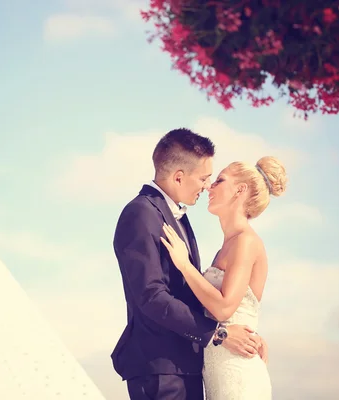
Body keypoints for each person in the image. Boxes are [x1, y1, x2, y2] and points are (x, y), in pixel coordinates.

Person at [111, 128, 268, 400]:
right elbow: (151, 296)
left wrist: (243, 331)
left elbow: (194, 296)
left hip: (189, 367)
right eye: (206, 178)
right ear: (179, 177)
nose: (207, 186)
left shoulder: (181, 220)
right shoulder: (141, 214)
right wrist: (218, 335)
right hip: (161, 368)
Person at [160, 156, 287, 399]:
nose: (209, 186)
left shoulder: (246, 242)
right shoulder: (226, 247)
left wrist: (185, 266)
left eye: (219, 180)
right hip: (219, 373)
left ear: (240, 190)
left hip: (239, 375)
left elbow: (224, 308)